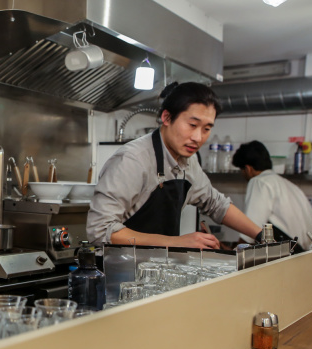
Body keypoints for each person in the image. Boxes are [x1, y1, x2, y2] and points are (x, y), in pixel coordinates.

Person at [87, 82, 262, 249]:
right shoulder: (132, 160)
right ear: (167, 117)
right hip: (120, 272)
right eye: (192, 125)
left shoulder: (188, 160)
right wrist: (175, 242)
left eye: (206, 129)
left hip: (160, 270)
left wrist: (262, 235)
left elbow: (215, 204)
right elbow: (100, 230)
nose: (198, 137)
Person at [231, 140, 312, 252]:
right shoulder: (288, 185)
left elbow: (250, 230)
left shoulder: (259, 182)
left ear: (248, 169)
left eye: (242, 171)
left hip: (290, 255)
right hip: (309, 254)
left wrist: (233, 254)